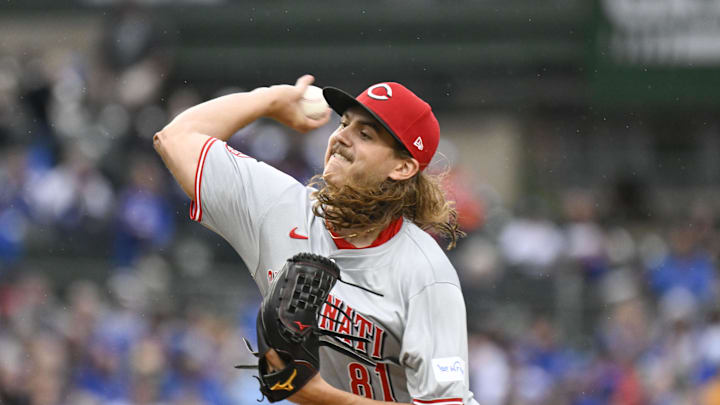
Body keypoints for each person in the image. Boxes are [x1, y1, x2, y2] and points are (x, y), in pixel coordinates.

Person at [154, 75, 477, 405]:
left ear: (403, 167)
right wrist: (269, 100)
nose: (340, 137)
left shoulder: (427, 277)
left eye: (364, 134)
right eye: (344, 123)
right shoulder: (280, 209)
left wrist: (315, 394)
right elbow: (176, 137)